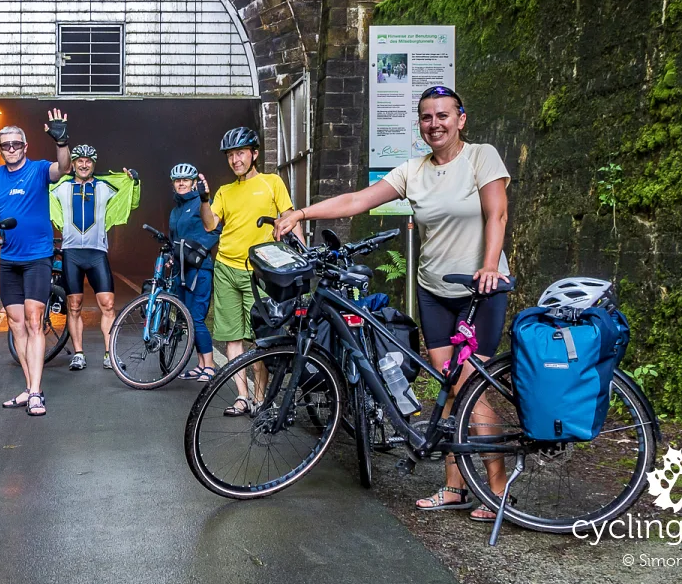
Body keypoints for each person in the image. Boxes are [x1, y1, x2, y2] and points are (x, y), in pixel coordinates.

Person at [273, 85, 511, 522]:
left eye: (443, 115)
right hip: (434, 291)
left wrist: (491, 266)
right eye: (426, 117)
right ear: (419, 125)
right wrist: (302, 214)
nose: (434, 124)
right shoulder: (413, 171)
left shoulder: (482, 156)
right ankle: (456, 488)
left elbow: (497, 212)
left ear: (461, 118)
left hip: (480, 290)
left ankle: (497, 490)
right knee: (448, 386)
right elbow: (357, 200)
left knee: (468, 387)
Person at [0, 109, 72, 417]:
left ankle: (37, 392)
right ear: (0, 149)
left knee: (34, 319)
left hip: (37, 256)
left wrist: (62, 141)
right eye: (5, 145)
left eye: (16, 144)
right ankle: (29, 387)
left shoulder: (38, 170)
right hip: (9, 259)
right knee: (15, 324)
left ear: (25, 146)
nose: (11, 149)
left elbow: (62, 168)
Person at [199, 126, 293, 416]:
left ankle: (261, 397)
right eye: (230, 155)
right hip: (226, 267)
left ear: (254, 153)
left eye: (240, 153)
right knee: (232, 337)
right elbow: (210, 225)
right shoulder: (225, 192)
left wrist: (300, 252)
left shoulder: (271, 182)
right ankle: (243, 396)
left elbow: (289, 217)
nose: (235, 159)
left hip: (259, 272)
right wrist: (204, 199)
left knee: (260, 337)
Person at [48, 145, 140, 371]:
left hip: (97, 252)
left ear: (94, 164)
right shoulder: (59, 186)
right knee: (74, 305)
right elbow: (37, 196)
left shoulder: (105, 186)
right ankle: (79, 354)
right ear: (73, 163)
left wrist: (134, 183)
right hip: (71, 252)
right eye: (79, 160)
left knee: (108, 305)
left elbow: (131, 202)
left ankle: (110, 354)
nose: (84, 164)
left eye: (89, 160)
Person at [167, 163, 220, 382]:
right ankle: (200, 364)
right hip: (181, 270)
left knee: (197, 317)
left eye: (186, 180)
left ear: (193, 182)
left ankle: (210, 366)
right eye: (177, 180)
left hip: (199, 268)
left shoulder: (201, 202)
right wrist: (172, 257)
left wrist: (197, 250)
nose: (181, 183)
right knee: (188, 318)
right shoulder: (175, 209)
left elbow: (215, 230)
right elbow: (174, 238)